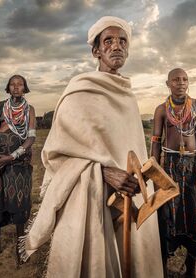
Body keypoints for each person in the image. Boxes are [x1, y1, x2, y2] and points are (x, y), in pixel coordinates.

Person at [19, 16, 163, 277]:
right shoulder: (79, 92)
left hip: (130, 197)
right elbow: (57, 154)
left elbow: (130, 147)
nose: (116, 46)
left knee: (132, 258)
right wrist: (105, 173)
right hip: (91, 199)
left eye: (122, 41)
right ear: (96, 51)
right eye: (108, 40)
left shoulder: (128, 96)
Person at [151, 68, 196, 277]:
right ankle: (163, 267)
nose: (181, 82)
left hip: (193, 166)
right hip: (169, 166)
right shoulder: (161, 110)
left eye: (184, 79)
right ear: (167, 83)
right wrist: (154, 170)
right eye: (176, 79)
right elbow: (156, 142)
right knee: (168, 214)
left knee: (194, 214)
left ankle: (191, 267)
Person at [0, 74, 36, 265]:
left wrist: (11, 157)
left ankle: (20, 249)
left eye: (20, 84)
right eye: (12, 84)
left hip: (17, 166)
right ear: (8, 88)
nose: (16, 87)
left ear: (25, 88)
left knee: (19, 207)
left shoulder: (29, 110)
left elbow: (30, 139)